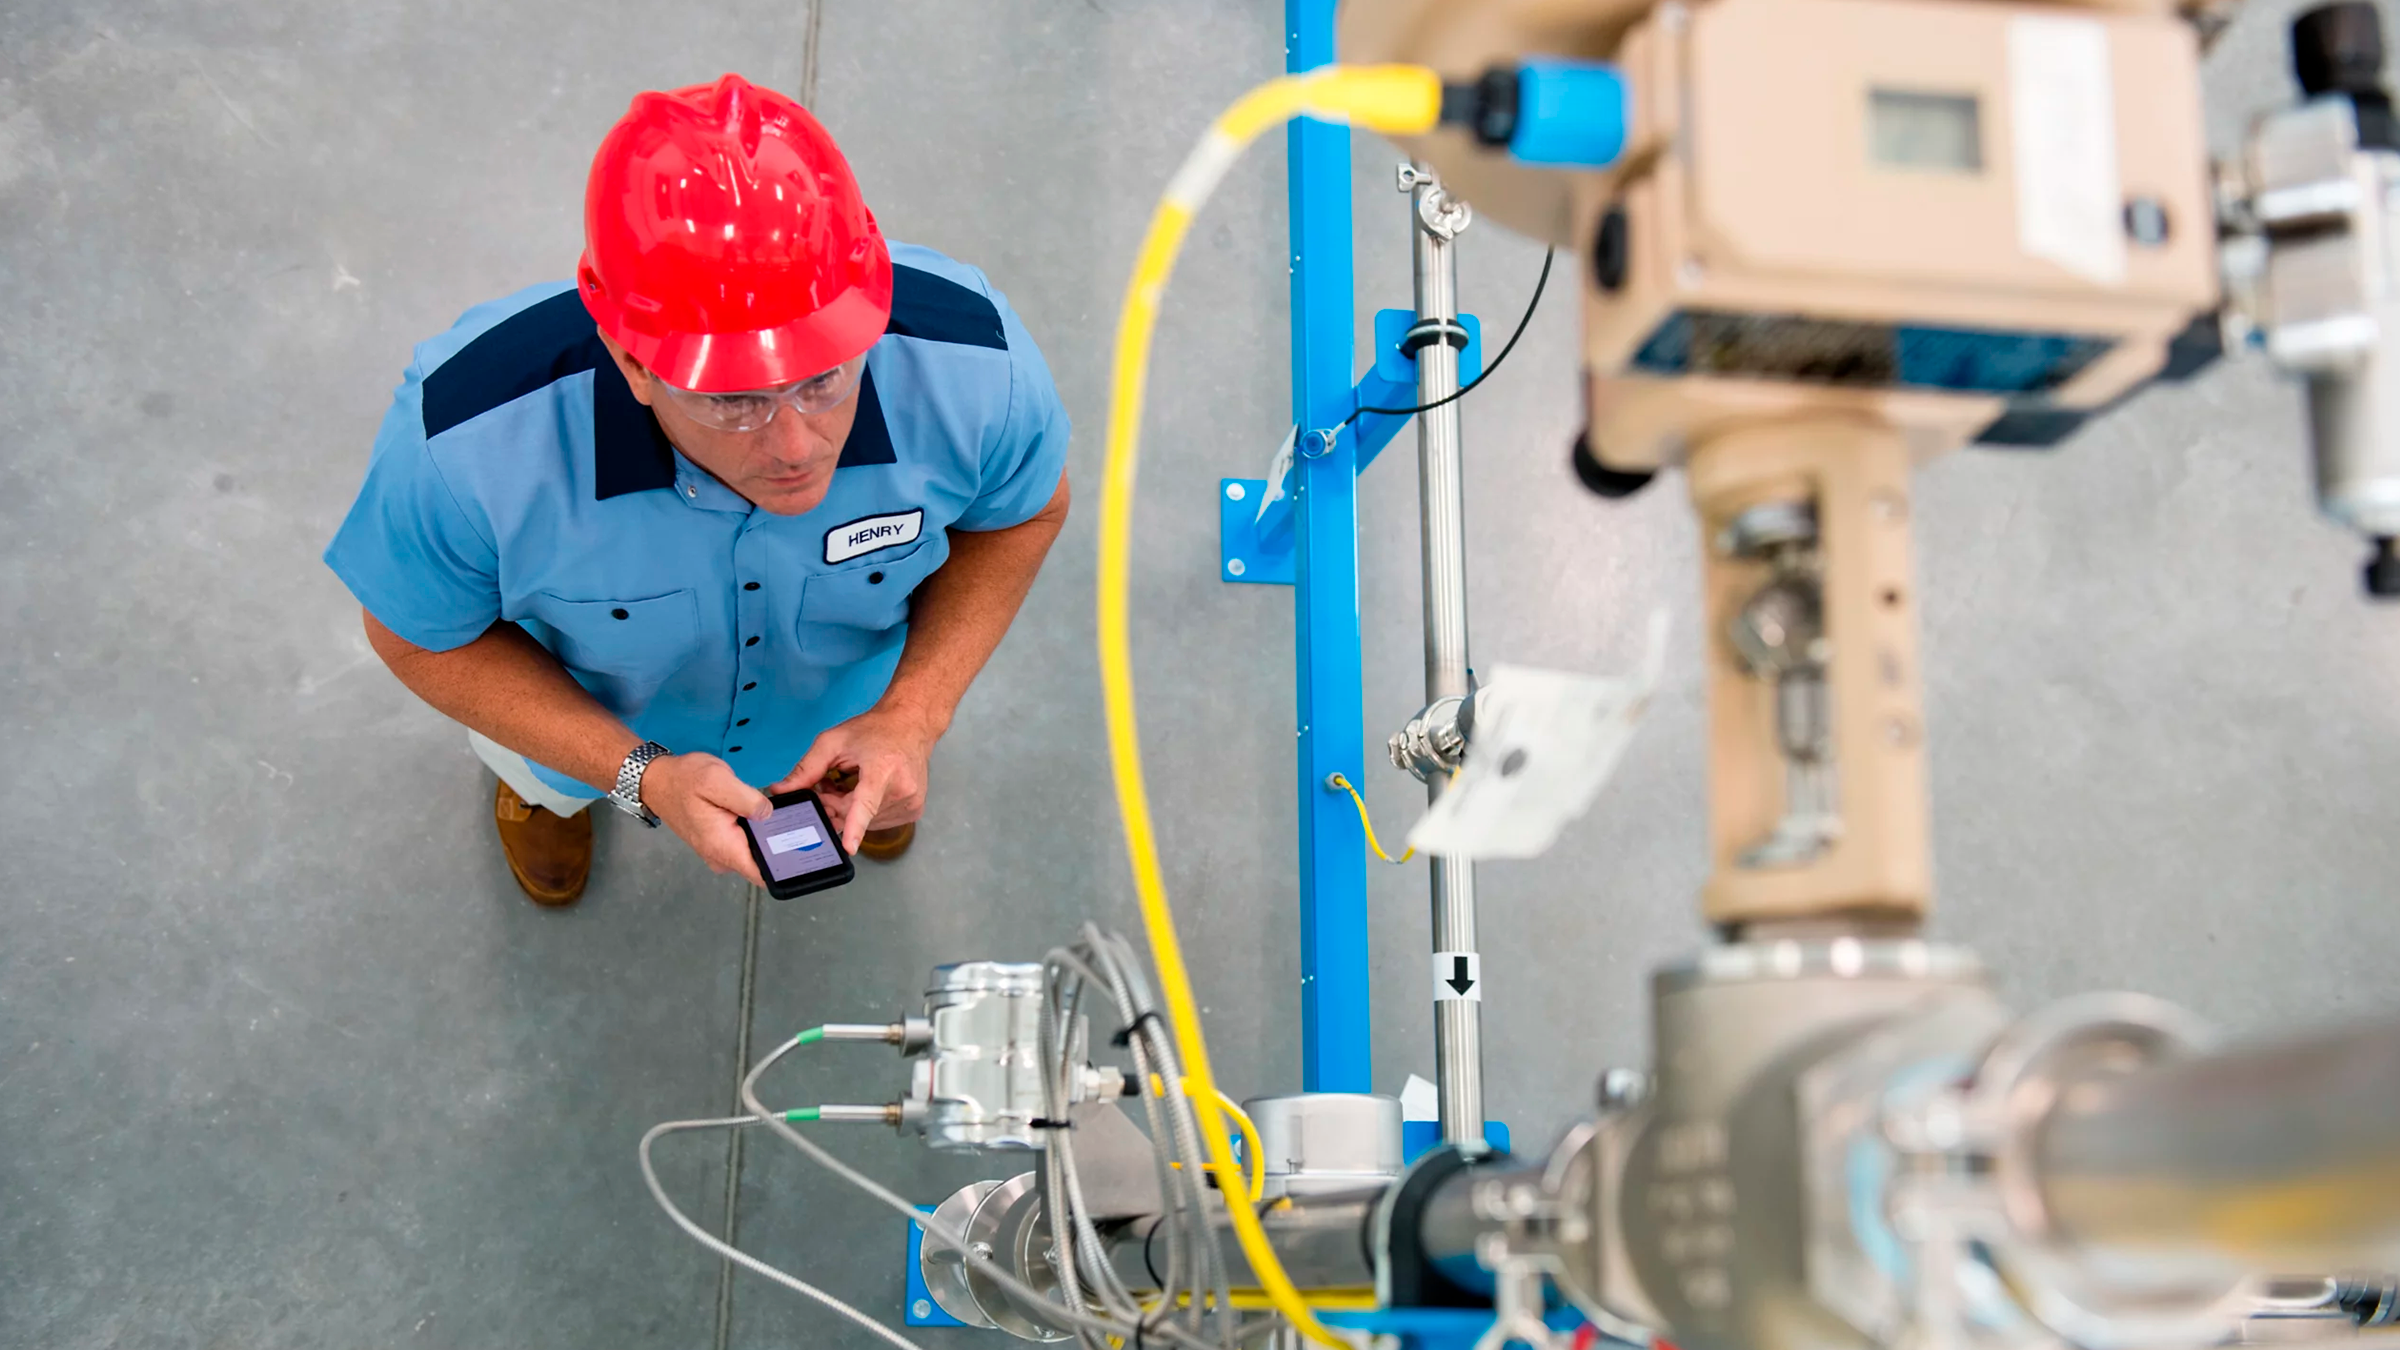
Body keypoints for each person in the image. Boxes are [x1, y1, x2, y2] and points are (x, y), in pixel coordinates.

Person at [324, 74, 1070, 906]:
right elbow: (421, 637)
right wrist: (634, 774)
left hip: (853, 704)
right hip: (586, 725)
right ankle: (553, 797)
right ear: (634, 361)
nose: (797, 447)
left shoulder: (979, 372)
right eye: (733, 400)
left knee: (881, 779)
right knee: (554, 781)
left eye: (825, 378)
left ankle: (880, 769)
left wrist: (914, 715)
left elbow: (1023, 515)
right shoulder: (462, 450)